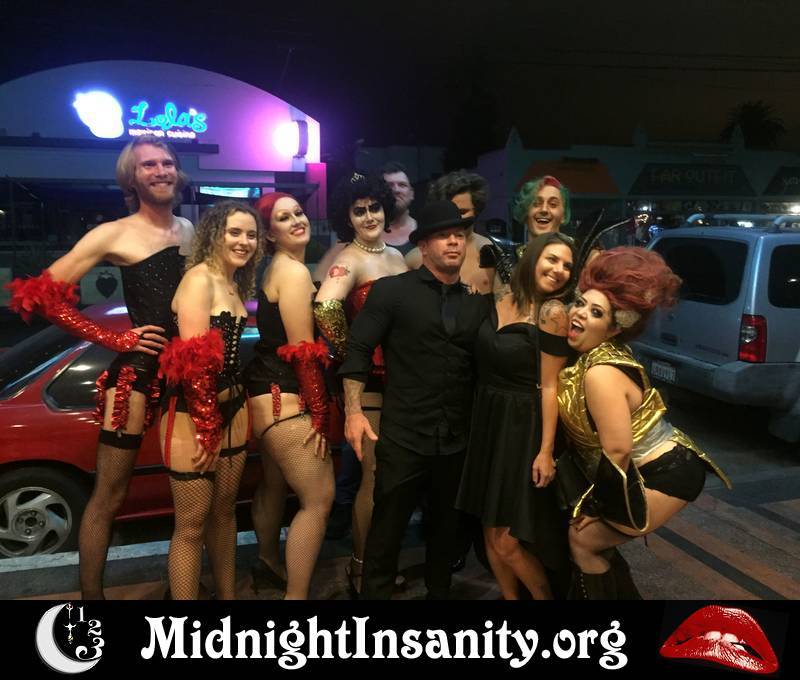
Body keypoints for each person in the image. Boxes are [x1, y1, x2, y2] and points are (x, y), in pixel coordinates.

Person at [6, 135, 192, 599]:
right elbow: (42, 294)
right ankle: (92, 601)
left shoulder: (190, 230)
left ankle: (183, 589)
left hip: (187, 375)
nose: (161, 171)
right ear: (131, 178)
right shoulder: (114, 233)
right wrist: (113, 338)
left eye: (167, 162)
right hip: (136, 378)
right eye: (148, 165)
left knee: (189, 495)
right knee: (109, 496)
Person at [557, 247, 731, 599]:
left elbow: (618, 450)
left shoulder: (600, 372)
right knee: (596, 542)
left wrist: (593, 504)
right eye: (580, 304)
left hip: (667, 473)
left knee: (583, 540)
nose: (579, 313)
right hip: (646, 469)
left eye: (595, 312)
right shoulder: (596, 355)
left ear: (613, 328)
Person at [340, 200, 492, 600]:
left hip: (456, 439)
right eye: (443, 236)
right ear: (423, 246)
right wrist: (353, 412)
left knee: (446, 530)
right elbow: (357, 350)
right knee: (387, 530)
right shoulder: (392, 291)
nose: (454, 242)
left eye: (458, 236)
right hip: (404, 436)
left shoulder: (475, 302)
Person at [457, 233, 576, 600]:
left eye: (567, 265)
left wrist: (545, 451)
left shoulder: (552, 313)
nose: (559, 270)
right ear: (533, 258)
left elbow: (551, 386)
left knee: (507, 539)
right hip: (489, 419)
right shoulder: (501, 298)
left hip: (523, 426)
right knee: (488, 527)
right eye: (552, 259)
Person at [158, 201, 261, 600]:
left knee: (224, 513)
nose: (244, 241)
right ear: (214, 234)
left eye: (251, 234)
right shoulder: (199, 279)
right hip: (193, 413)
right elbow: (193, 364)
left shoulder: (232, 282)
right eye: (234, 232)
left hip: (233, 410)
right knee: (191, 524)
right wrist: (207, 426)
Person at [313, 172, 407, 595]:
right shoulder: (348, 259)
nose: (369, 216)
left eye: (374, 208)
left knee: (393, 481)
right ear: (347, 217)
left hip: (402, 380)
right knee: (373, 478)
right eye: (359, 210)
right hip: (368, 383)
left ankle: (380, 564)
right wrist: (355, 352)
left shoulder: (397, 257)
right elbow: (325, 307)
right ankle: (362, 568)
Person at [246, 192, 335, 600]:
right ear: (269, 233)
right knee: (318, 500)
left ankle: (268, 564)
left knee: (273, 485)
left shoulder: (276, 268)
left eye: (298, 212)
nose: (297, 220)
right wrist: (319, 412)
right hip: (287, 399)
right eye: (284, 218)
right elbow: (303, 351)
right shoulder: (295, 273)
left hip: (264, 396)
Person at [406, 170, 495, 294]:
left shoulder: (493, 253)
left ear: (476, 211)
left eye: (462, 212)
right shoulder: (413, 259)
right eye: (447, 212)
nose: (454, 219)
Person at [513, 175, 571, 242]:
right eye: (536, 203)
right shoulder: (517, 249)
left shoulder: (567, 248)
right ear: (525, 212)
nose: (544, 209)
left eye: (553, 204)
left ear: (563, 215)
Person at [382, 162, 417, 255]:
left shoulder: (425, 231)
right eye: (389, 185)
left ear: (412, 194)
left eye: (402, 185)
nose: (396, 190)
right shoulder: (367, 233)